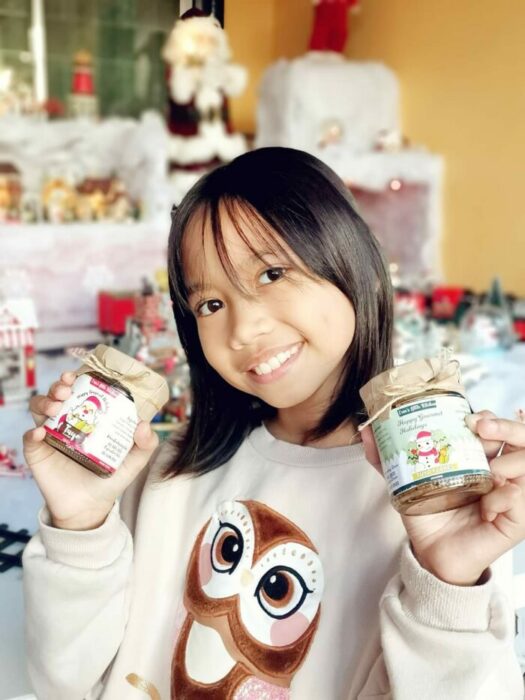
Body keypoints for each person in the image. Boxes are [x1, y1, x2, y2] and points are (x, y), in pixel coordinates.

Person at [22, 148, 525, 699]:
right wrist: (78, 525)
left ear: (352, 261)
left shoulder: (433, 499)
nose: (243, 329)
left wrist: (447, 584)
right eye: (210, 305)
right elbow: (63, 684)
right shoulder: (169, 474)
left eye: (271, 273)